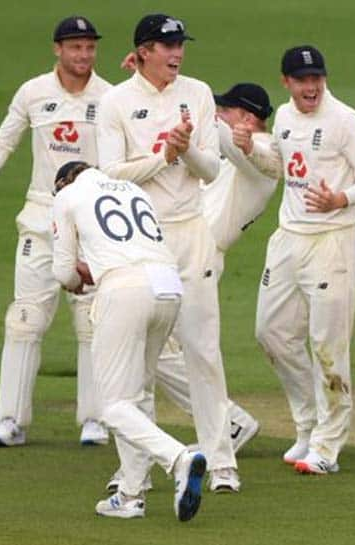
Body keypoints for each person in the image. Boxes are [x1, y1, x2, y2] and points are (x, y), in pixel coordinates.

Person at [103, 82, 277, 494]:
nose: (217, 113)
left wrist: (192, 118)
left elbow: (259, 158)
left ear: (248, 117)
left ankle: (223, 450)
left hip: (201, 254)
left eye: (225, 109)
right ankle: (142, 463)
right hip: (167, 244)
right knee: (151, 354)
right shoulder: (232, 142)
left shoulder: (260, 148)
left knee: (197, 352)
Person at [96, 12, 239, 493]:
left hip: (189, 232)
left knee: (203, 349)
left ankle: (221, 464)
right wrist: (165, 157)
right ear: (142, 53)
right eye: (167, 45)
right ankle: (139, 467)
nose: (177, 53)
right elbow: (109, 174)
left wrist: (187, 152)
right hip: (141, 242)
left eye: (180, 45)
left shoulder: (196, 93)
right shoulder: (115, 101)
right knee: (141, 363)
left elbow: (212, 169)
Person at [0, 15, 111, 447]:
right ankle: (10, 421)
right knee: (24, 320)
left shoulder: (109, 97)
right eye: (75, 47)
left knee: (92, 323)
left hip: (89, 224)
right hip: (41, 218)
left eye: (89, 47)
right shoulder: (34, 92)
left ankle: (95, 421)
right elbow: (5, 138)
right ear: (57, 49)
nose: (83, 55)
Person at [238, 45, 355, 474]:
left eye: (316, 78)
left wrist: (342, 198)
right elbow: (281, 168)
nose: (311, 86)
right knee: (271, 332)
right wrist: (249, 150)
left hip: (332, 241)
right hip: (288, 239)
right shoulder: (283, 117)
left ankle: (328, 443)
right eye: (302, 80)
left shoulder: (345, 120)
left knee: (327, 343)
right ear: (286, 82)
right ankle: (307, 424)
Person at [50, 161, 207, 521]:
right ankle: (131, 494)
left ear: (63, 182)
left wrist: (78, 280)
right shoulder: (133, 190)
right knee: (140, 393)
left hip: (124, 290)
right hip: (167, 286)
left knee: (113, 405)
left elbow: (62, 271)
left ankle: (179, 458)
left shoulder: (68, 196)